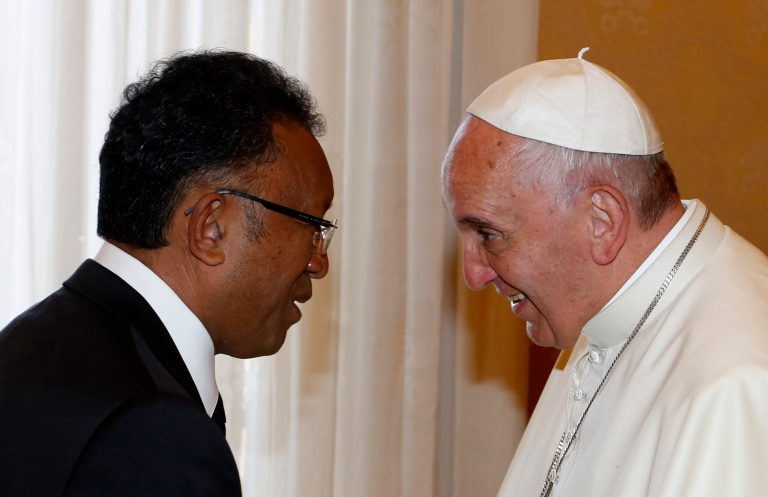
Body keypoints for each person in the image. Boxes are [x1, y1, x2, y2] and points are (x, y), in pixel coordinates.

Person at [0, 49, 336, 496]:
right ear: (211, 228)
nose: (319, 262)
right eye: (313, 225)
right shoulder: (155, 434)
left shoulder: (30, 344)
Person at [442, 48, 768, 497]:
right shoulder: (610, 312)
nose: (473, 274)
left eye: (488, 233)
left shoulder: (736, 385)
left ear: (602, 220)